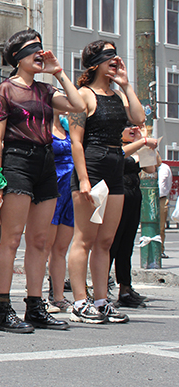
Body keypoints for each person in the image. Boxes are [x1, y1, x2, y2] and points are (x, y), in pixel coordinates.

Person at [0, 29, 85, 333]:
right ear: (17, 57)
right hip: (17, 161)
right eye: (33, 50)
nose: (39, 55)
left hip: (46, 164)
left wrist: (59, 71)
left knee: (40, 240)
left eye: (41, 49)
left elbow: (80, 105)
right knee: (12, 238)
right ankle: (3, 310)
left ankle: (35, 306)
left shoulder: (46, 91)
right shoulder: (5, 90)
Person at [67, 40, 146, 325]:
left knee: (106, 241)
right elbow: (76, 141)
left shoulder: (117, 94)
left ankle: (101, 301)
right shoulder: (83, 95)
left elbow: (139, 118)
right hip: (93, 163)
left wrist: (125, 84)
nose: (116, 60)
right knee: (85, 238)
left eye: (116, 55)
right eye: (109, 56)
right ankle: (78, 302)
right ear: (95, 62)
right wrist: (85, 179)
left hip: (116, 164)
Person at [110, 124, 157, 308]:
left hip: (134, 196)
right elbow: (119, 157)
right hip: (117, 196)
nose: (132, 129)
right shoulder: (115, 146)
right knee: (111, 244)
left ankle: (125, 289)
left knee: (127, 244)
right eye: (128, 126)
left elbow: (151, 169)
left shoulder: (136, 146)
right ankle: (101, 288)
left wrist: (143, 142)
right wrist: (142, 142)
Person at [45, 112, 75, 312]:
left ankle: (58, 296)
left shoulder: (68, 127)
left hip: (71, 190)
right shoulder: (41, 126)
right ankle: (36, 296)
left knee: (61, 248)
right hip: (51, 189)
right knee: (43, 247)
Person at [158, 161, 172, 258]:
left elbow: (168, 183)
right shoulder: (146, 167)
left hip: (161, 198)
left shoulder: (165, 168)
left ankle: (160, 250)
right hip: (147, 198)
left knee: (161, 227)